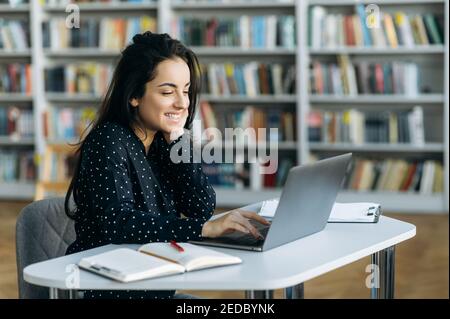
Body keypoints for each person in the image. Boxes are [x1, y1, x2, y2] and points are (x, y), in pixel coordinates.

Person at [64, 31, 269, 299]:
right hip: (107, 289)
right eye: (167, 91)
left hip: (152, 284)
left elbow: (200, 206)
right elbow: (118, 223)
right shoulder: (109, 140)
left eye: (185, 91)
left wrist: (178, 141)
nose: (182, 103)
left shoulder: (164, 140)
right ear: (134, 95)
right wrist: (203, 229)